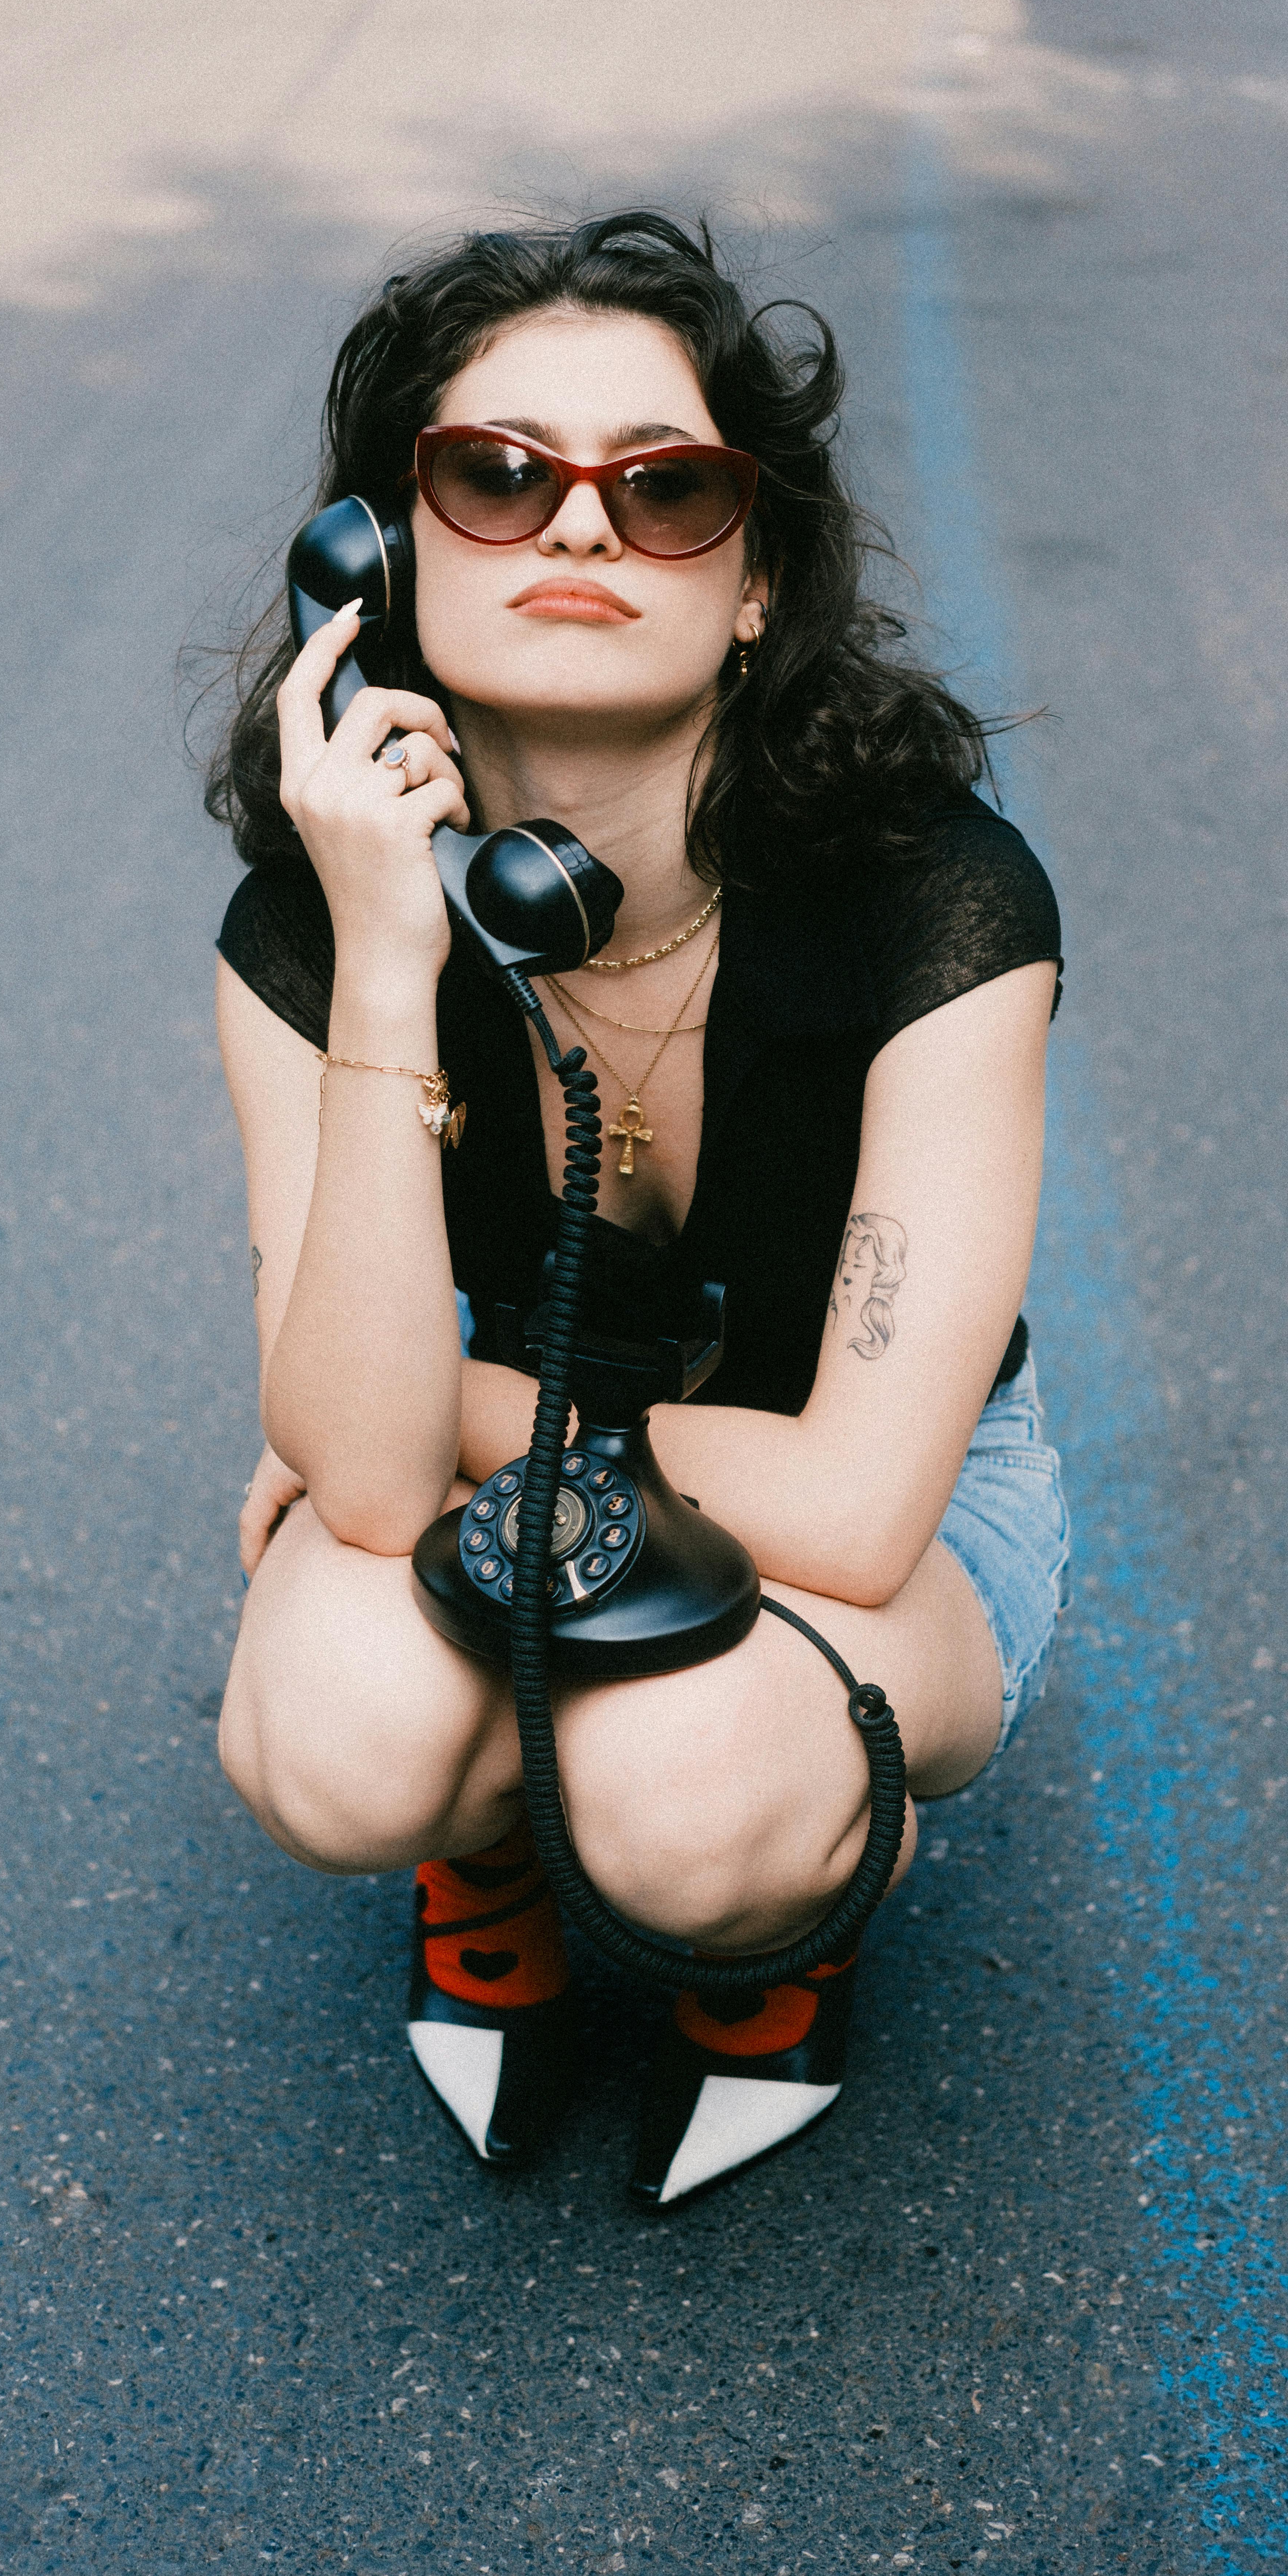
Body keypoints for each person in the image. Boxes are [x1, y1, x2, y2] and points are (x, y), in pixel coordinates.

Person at [206, 213, 1068, 2209]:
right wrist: (385, 958)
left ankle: (778, 1919)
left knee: (687, 1800)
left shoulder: (940, 907)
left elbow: (852, 1508)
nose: (577, 530)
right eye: (497, 477)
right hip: (511, 1450)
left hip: (890, 1523)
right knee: (325, 1727)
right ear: (386, 557)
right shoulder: (308, 929)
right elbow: (352, 1462)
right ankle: (486, 1856)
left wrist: (442, 1421)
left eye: (664, 489)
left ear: (755, 583)